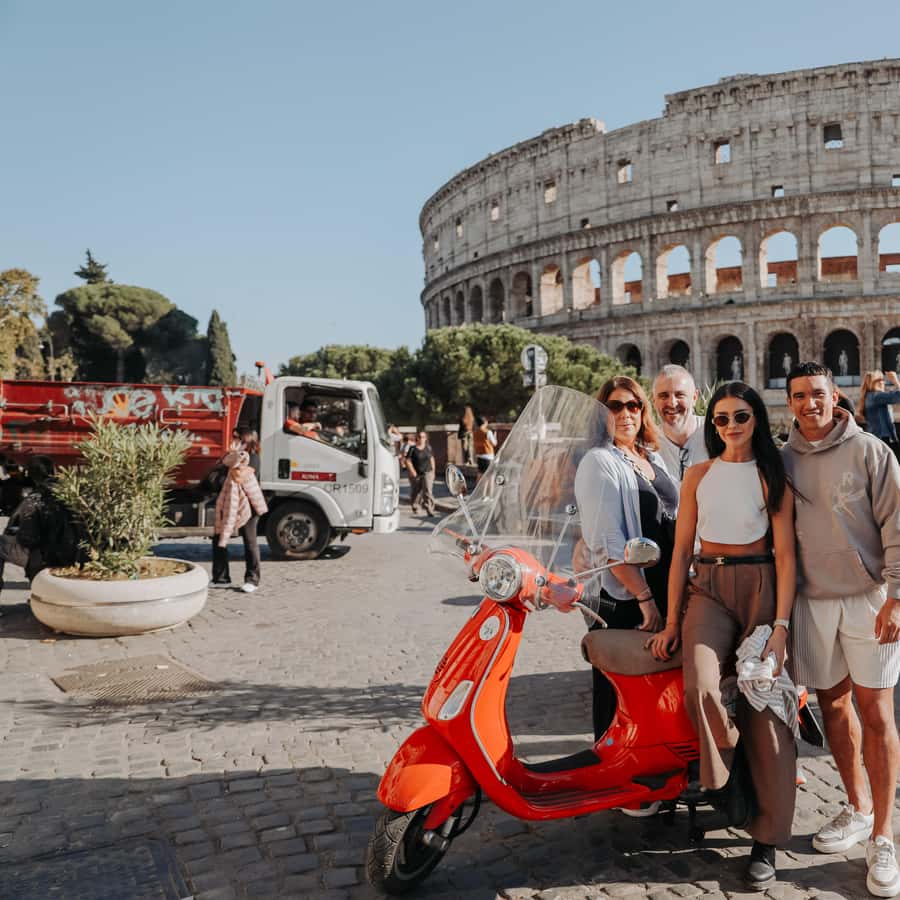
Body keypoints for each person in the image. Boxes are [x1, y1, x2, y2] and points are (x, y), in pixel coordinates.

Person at [649, 381, 797, 889]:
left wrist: (780, 627)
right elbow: (680, 551)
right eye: (720, 419)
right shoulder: (697, 475)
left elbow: (786, 556)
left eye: (740, 416)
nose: (730, 426)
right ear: (711, 426)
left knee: (766, 705)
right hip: (706, 587)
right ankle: (727, 782)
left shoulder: (772, 474)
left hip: (760, 584)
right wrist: (671, 620)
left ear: (757, 419)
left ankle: (767, 841)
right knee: (701, 684)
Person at [782, 362, 900, 899]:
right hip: (812, 602)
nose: (811, 403)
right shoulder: (780, 460)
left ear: (838, 397)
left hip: (870, 598)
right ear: (790, 403)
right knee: (832, 706)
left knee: (876, 712)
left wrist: (896, 596)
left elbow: (898, 525)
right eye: (801, 395)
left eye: (820, 394)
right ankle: (856, 807)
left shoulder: (873, 451)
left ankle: (883, 835)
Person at [575, 376, 678, 744]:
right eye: (614, 407)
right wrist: (645, 599)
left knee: (653, 685)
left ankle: (653, 762)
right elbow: (607, 541)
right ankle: (617, 767)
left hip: (664, 586)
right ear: (600, 414)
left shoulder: (652, 457)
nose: (625, 414)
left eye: (633, 405)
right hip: (625, 596)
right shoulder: (599, 462)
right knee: (619, 687)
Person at [0, 457, 81, 598]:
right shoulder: (73, 494)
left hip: (47, 557)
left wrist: (14, 532)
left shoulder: (35, 498)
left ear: (30, 475)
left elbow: (28, 538)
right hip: (75, 553)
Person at [212, 429, 268, 593]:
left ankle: (252, 579)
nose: (233, 442)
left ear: (247, 441)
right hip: (229, 502)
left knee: (250, 541)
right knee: (218, 537)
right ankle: (220, 577)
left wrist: (232, 461)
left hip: (248, 505)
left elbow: (239, 477)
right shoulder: (230, 457)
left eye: (237, 439)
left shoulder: (253, 458)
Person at [652, 364, 708, 483]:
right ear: (654, 400)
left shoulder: (715, 433)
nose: (672, 403)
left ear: (694, 398)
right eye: (664, 396)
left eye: (679, 395)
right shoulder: (647, 445)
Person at [857, 370, 900, 457]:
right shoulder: (876, 396)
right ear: (875, 382)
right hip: (883, 438)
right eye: (881, 379)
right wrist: (895, 381)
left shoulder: (869, 396)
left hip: (876, 437)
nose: (884, 382)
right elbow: (897, 397)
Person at [405, 430, 435, 516]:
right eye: (419, 437)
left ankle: (429, 508)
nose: (421, 439)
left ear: (425, 438)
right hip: (416, 473)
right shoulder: (412, 449)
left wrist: (433, 471)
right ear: (417, 438)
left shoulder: (428, 448)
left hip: (427, 472)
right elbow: (408, 461)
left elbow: (432, 459)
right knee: (416, 491)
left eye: (423, 437)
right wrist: (412, 471)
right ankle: (416, 506)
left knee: (428, 491)